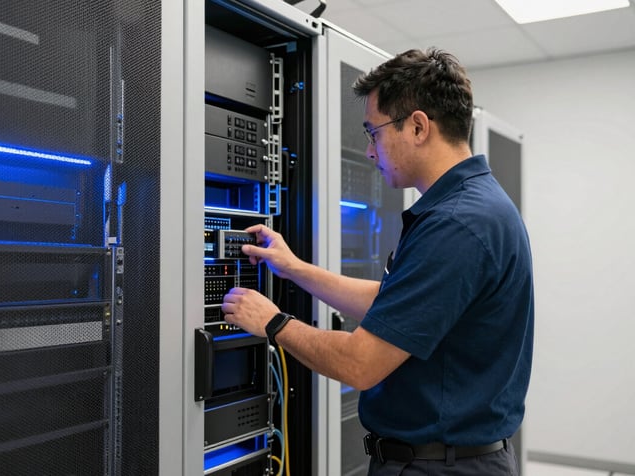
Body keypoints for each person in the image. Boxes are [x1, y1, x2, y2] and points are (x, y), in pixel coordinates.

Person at [221, 48, 533, 475]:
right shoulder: (475, 206)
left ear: (419, 126)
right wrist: (293, 267)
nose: (370, 150)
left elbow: (360, 363)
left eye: (374, 132)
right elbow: (395, 306)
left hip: (440, 467)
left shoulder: (457, 224)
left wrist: (273, 323)